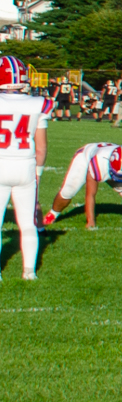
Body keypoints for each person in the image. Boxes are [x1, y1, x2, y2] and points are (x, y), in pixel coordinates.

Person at [0, 56, 50, 281]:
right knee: (27, 222)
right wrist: (38, 174)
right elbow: (41, 146)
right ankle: (29, 272)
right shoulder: (38, 103)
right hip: (26, 165)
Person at [44, 141, 122, 229]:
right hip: (85, 158)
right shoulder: (98, 162)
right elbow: (90, 194)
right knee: (68, 190)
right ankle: (53, 214)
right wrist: (91, 222)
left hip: (113, 165)